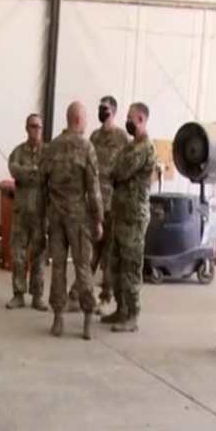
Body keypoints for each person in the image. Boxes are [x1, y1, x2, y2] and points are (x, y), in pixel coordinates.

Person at [40, 101, 103, 340]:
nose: (86, 123)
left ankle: (58, 318)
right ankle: (87, 320)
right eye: (85, 118)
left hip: (56, 217)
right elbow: (93, 188)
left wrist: (42, 216)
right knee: (83, 266)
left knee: (57, 267)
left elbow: (41, 184)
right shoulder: (86, 148)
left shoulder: (52, 147)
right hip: (78, 218)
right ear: (78, 119)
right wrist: (98, 219)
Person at [102, 102, 156, 333]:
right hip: (120, 212)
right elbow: (112, 169)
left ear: (141, 119)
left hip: (134, 216)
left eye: (131, 118)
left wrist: (115, 171)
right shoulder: (130, 146)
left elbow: (120, 170)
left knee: (131, 266)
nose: (127, 122)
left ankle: (133, 314)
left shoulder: (144, 147)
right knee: (116, 263)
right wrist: (114, 171)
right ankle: (121, 308)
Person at [86, 95, 130, 315]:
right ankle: (81, 293)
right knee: (89, 251)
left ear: (113, 111)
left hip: (112, 204)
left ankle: (105, 297)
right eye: (100, 108)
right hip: (95, 204)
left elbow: (129, 167)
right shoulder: (94, 137)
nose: (102, 112)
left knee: (109, 256)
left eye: (105, 109)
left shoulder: (122, 138)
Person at [5, 113, 48, 311]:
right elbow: (14, 169)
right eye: (32, 126)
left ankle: (37, 296)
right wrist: (34, 172)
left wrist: (28, 173)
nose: (35, 130)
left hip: (40, 212)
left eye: (38, 127)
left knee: (39, 255)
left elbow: (48, 175)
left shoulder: (48, 153)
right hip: (22, 211)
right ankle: (18, 294)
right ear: (26, 128)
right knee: (18, 254)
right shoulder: (18, 152)